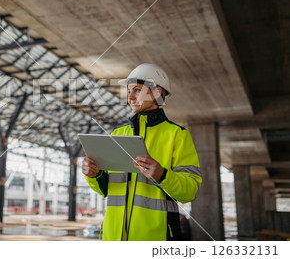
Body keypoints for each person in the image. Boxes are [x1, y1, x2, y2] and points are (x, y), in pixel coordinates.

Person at [82, 63, 202, 241]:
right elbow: (105, 189)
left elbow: (189, 191)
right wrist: (94, 175)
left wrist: (162, 175)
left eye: (137, 90)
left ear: (156, 92)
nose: (130, 97)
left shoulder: (177, 135)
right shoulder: (118, 134)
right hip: (113, 238)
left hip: (155, 237)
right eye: (129, 91)